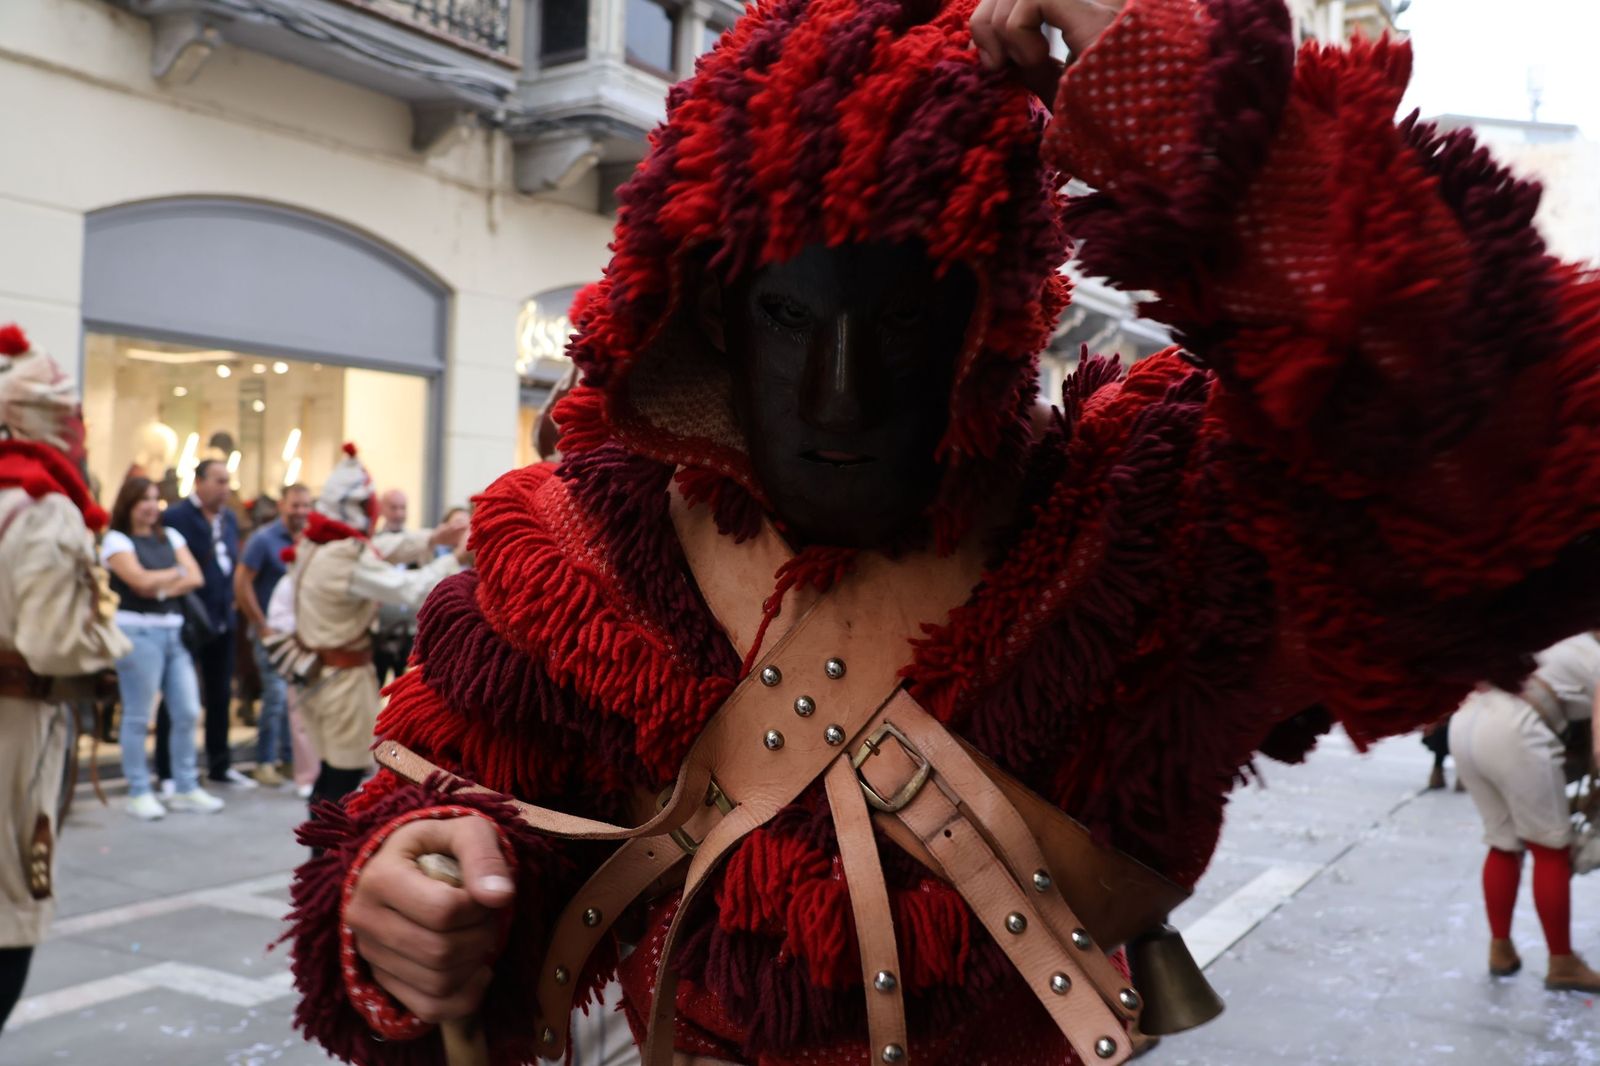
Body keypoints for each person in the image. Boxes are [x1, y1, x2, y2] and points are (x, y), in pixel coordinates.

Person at [284, 1, 1600, 1063]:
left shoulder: (1150, 531)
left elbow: (1506, 463)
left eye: (903, 323)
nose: (840, 398)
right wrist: (400, 900)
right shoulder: (576, 553)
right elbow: (435, 799)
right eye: (793, 321)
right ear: (710, 323)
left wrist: (1175, 99)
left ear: (991, 315)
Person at [0, 324, 131, 1028]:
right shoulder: (44, 511)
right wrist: (115, 643)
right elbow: (56, 646)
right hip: (14, 732)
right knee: (9, 908)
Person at [287, 445, 468, 811]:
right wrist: (456, 558)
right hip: (342, 683)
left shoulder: (315, 544)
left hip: (319, 674)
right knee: (342, 778)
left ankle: (320, 854)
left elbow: (380, 546)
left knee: (329, 776)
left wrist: (432, 539)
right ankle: (325, 859)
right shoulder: (345, 556)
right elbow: (412, 587)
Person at [1451, 633, 1600, 991]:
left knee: (1502, 841)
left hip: (1467, 725)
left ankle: (1500, 948)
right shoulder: (1595, 655)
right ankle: (1562, 962)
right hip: (1516, 731)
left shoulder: (1558, 633)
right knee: (1551, 849)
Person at [101, 476, 227, 820]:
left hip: (174, 632)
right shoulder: (116, 540)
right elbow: (137, 582)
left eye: (154, 499)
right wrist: (173, 574)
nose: (150, 506)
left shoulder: (169, 536)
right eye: (143, 499)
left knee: (187, 711)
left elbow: (195, 577)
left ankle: (185, 785)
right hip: (137, 633)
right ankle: (139, 790)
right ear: (129, 503)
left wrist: (158, 585)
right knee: (139, 715)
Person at [161, 458, 249, 788]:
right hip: (189, 620)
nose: (225, 488)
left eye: (228, 482)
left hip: (223, 619)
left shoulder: (228, 518)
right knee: (178, 696)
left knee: (220, 694)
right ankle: (167, 770)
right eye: (219, 481)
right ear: (199, 482)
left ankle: (219, 764)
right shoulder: (176, 517)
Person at [235, 482, 312, 787]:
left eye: (306, 505)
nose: (301, 512)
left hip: (298, 637)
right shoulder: (263, 540)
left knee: (294, 701)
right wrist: (260, 624)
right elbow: (242, 583)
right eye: (295, 505)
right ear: (282, 505)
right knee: (276, 696)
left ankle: (288, 759)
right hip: (271, 634)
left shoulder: (308, 541)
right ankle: (264, 761)